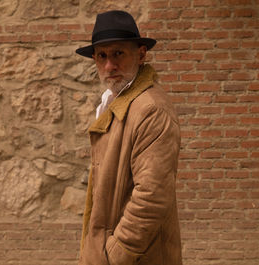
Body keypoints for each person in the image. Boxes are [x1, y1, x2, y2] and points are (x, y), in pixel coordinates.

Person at [76, 10, 182, 265]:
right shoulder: (114, 102)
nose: (109, 65)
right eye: (102, 56)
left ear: (141, 54)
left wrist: (115, 254)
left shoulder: (150, 109)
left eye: (118, 54)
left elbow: (152, 195)